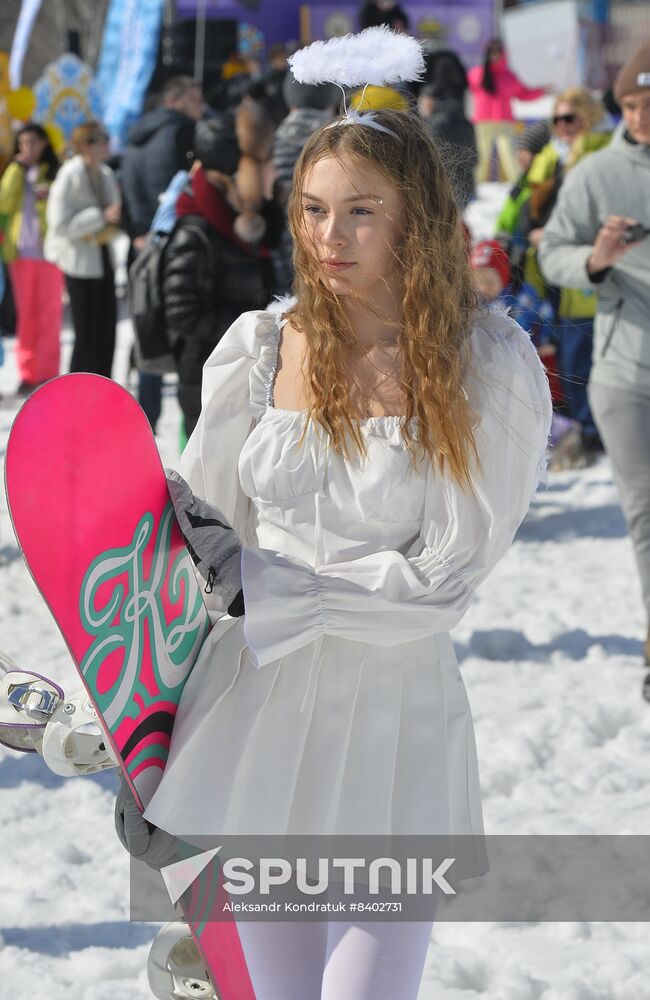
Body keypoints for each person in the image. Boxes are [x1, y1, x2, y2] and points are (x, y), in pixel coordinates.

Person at [117, 34, 551, 1000]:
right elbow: (203, 530)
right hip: (256, 716)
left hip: (392, 722)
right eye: (314, 210)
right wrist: (140, 666)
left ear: (419, 219)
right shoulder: (257, 347)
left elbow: (444, 581)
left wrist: (269, 589)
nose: (329, 236)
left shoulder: (486, 364)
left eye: (362, 211)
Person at [538, 41, 650, 683]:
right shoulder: (595, 174)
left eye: (648, 104)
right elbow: (552, 250)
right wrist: (595, 260)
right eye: (629, 105)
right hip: (624, 372)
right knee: (645, 512)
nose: (638, 116)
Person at [161, 117, 280, 441]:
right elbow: (182, 311)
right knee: (201, 480)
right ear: (227, 179)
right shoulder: (197, 232)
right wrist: (248, 327)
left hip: (235, 374)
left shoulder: (238, 227)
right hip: (205, 375)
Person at [525, 88, 610, 459]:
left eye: (569, 119)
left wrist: (560, 236)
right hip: (543, 266)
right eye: (556, 120)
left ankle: (593, 431)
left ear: (588, 118)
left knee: (581, 353)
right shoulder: (549, 157)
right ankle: (575, 425)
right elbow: (524, 203)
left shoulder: (600, 155)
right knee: (555, 348)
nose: (562, 127)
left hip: (581, 266)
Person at [121, 76, 204, 432]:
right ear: (177, 99)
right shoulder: (184, 132)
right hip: (178, 245)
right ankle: (191, 431)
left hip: (141, 247)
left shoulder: (133, 137)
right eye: (195, 96)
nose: (200, 103)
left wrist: (138, 232)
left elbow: (124, 192)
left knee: (148, 330)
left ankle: (145, 419)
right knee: (186, 337)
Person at [45, 122, 121, 378]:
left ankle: (104, 387)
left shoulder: (105, 173)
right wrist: (99, 216)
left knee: (107, 333)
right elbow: (59, 224)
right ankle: (76, 390)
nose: (107, 144)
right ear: (86, 144)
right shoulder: (69, 175)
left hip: (103, 258)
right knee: (86, 335)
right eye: (101, 139)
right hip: (79, 262)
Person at [0, 123, 63, 394]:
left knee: (49, 314)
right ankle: (27, 373)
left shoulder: (56, 173)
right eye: (23, 143)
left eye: (33, 142)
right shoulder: (15, 172)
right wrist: (16, 169)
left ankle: (48, 372)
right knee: (26, 317)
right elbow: (3, 202)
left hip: (49, 254)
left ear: (44, 144)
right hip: (21, 255)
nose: (28, 148)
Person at [468, 38, 545, 182]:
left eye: (498, 51)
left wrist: (541, 92)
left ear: (503, 53)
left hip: (505, 121)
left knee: (510, 156)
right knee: (480, 157)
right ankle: (473, 188)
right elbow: (466, 88)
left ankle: (519, 186)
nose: (494, 55)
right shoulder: (477, 73)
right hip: (483, 122)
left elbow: (524, 94)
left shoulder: (509, 76)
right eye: (491, 51)